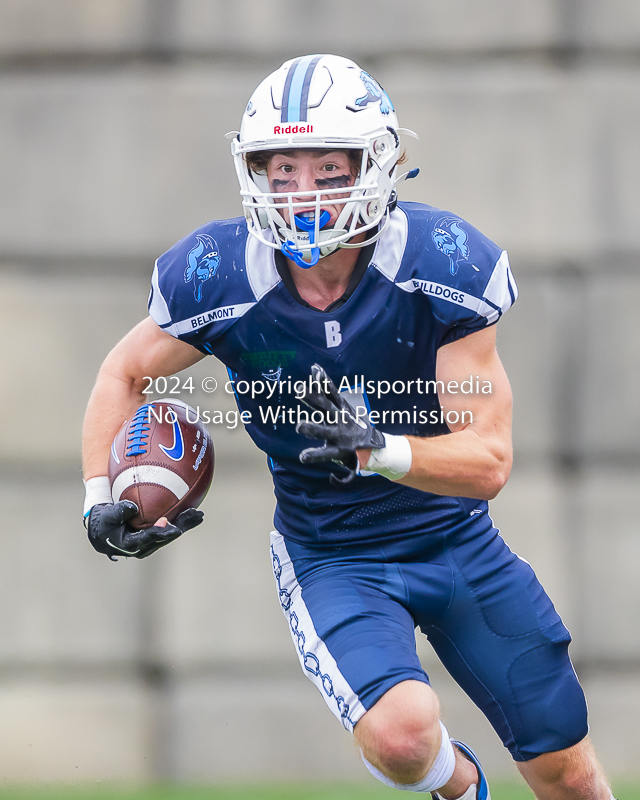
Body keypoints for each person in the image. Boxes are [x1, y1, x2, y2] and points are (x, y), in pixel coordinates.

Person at [82, 54, 615, 800]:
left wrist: (381, 450)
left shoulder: (439, 266)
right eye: (284, 169)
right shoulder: (221, 276)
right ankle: (459, 787)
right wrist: (99, 493)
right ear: (255, 173)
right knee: (402, 734)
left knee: (567, 773)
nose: (303, 193)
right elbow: (124, 372)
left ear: (377, 164)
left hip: (455, 538)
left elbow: (488, 460)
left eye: (330, 167)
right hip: (333, 556)